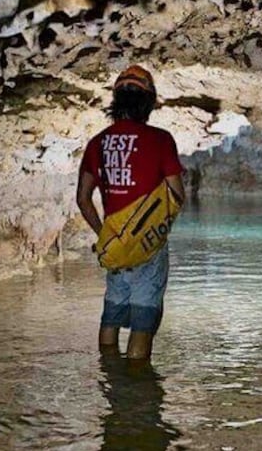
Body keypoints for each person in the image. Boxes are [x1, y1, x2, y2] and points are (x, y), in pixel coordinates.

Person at [76, 65, 185, 360]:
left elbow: (83, 199)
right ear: (148, 102)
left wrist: (106, 236)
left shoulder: (97, 143)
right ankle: (135, 394)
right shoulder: (161, 139)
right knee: (142, 325)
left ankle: (108, 376)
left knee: (111, 316)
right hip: (148, 246)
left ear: (116, 100)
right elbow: (177, 195)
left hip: (115, 245)